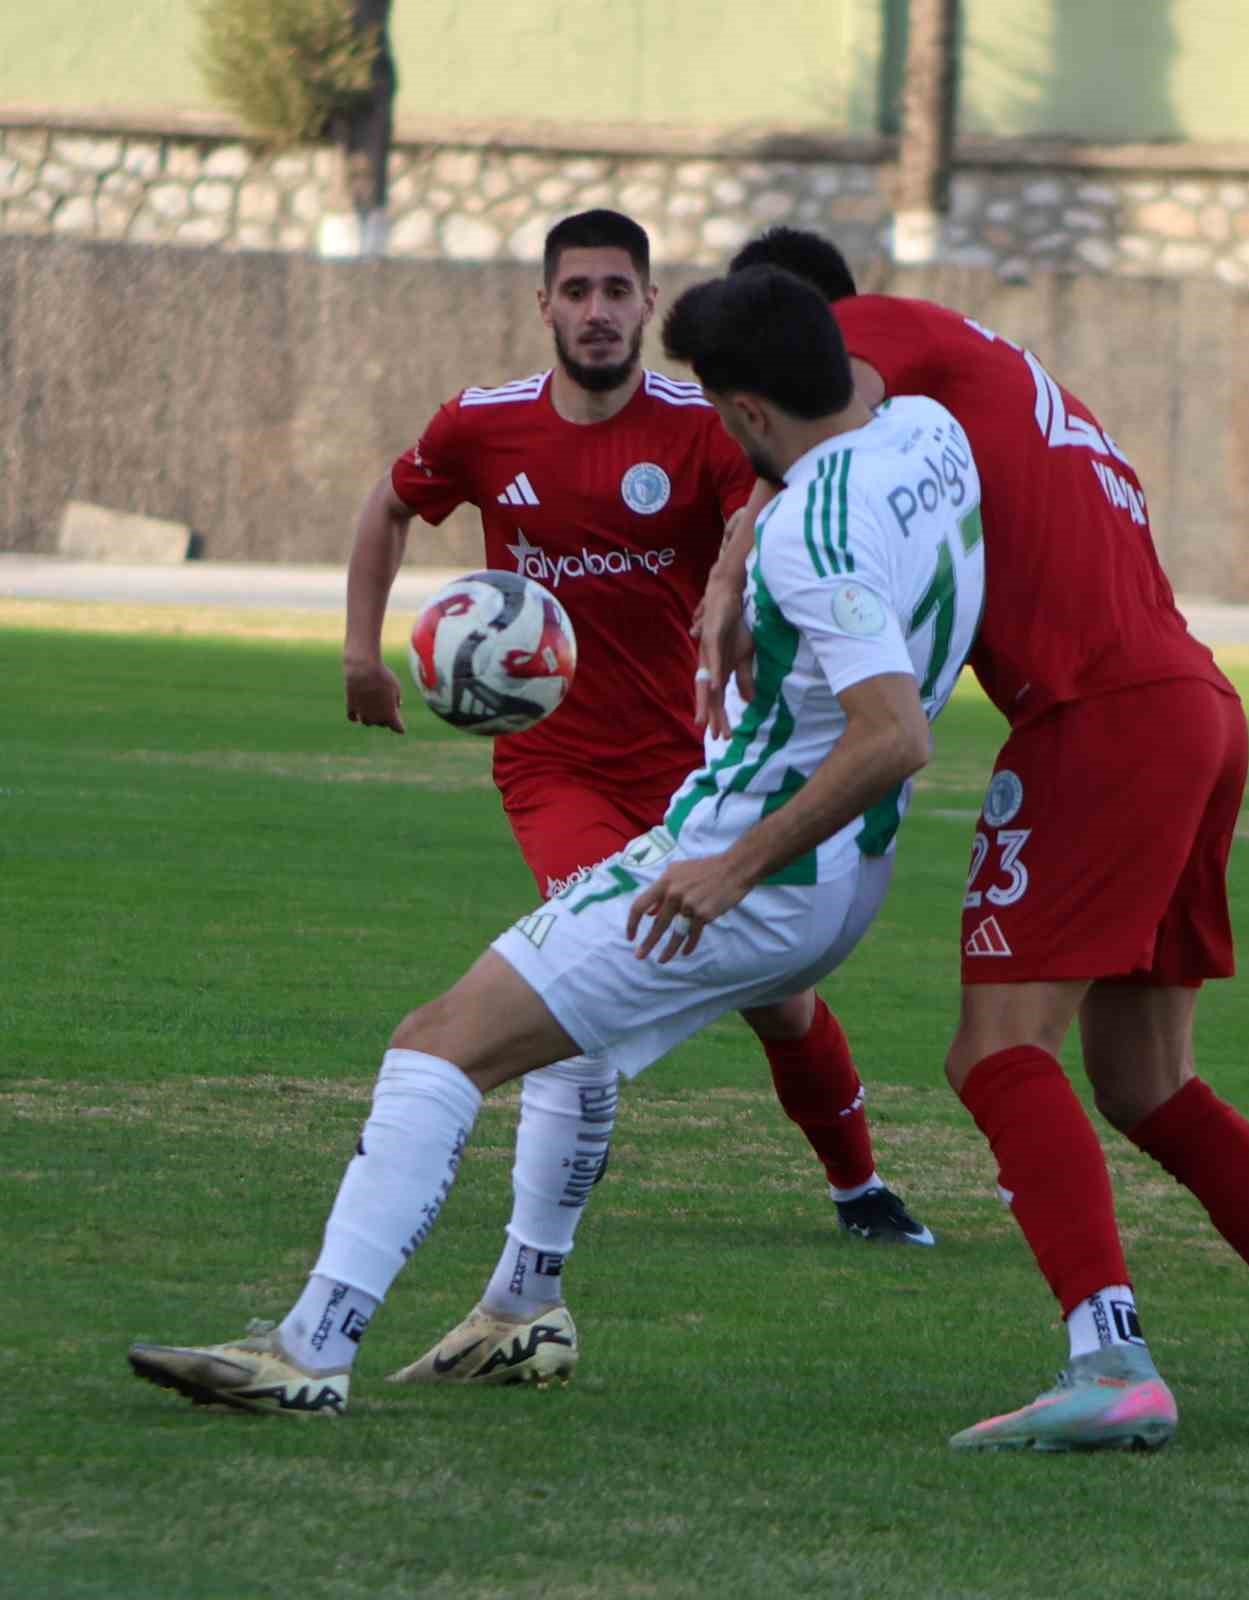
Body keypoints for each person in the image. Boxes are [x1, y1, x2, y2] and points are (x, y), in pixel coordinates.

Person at [126, 267, 983, 1416]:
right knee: (566, 1035)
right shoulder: (931, 436)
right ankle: (521, 1312)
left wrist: (725, 868)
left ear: (744, 414)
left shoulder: (810, 535)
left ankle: (309, 1348)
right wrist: (732, 558)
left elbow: (894, 735)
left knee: (436, 1045)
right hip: (847, 880)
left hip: (747, 867)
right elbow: (837, 515)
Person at [698, 226, 1249, 1452]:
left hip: (1099, 718)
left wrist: (733, 555)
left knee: (995, 1049)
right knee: (1145, 1082)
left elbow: (821, 429)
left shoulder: (879, 345)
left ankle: (1109, 1358)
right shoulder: (972, 384)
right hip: (1191, 705)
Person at [340, 210, 939, 1391]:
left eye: (621, 289)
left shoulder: (699, 424)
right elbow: (390, 504)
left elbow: (771, 496)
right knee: (583, 989)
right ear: (546, 306)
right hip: (553, 766)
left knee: (783, 1006)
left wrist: (727, 571)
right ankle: (532, 1287)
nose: (600, 310)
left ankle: (856, 1180)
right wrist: (362, 651)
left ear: (647, 298)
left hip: (698, 761)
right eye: (578, 290)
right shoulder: (483, 424)